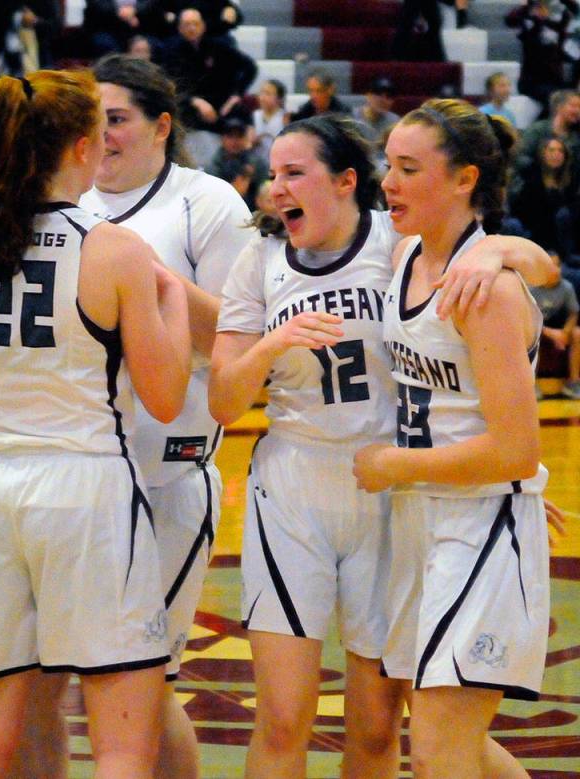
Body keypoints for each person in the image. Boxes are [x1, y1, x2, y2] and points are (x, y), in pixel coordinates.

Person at [208, 113, 555, 778]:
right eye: (272, 175)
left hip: (419, 500)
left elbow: (527, 273)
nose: (277, 189)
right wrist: (274, 343)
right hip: (340, 497)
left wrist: (499, 250)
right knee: (322, 722)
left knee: (402, 734)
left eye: (294, 173)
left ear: (343, 182)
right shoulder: (312, 258)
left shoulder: (412, 256)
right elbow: (223, 399)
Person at [0, 68, 193, 778]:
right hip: (86, 491)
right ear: (81, 147)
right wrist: (171, 301)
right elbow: (166, 395)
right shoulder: (112, 247)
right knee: (119, 743)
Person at [12, 53, 256, 779]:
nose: (104, 135)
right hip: (72, 479)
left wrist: (148, 278)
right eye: (95, 120)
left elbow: (238, 344)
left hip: (164, 478)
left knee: (141, 693)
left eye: (118, 118)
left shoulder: (207, 203)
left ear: (162, 127)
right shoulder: (63, 200)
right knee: (36, 689)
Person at [355, 98, 551, 778]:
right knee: (451, 738)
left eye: (409, 168)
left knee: (438, 746)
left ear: (465, 179)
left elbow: (517, 450)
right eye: (389, 165)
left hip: (481, 520)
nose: (390, 182)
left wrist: (391, 461)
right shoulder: (406, 249)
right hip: (423, 516)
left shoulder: (486, 291)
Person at [157, 7, 258, 131]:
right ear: (179, 28)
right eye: (187, 25)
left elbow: (250, 67)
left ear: (203, 26)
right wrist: (194, 101)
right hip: (190, 104)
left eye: (196, 24)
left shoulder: (219, 46)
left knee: (240, 117)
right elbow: (170, 83)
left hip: (221, 103)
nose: (192, 28)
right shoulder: (170, 51)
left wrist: (236, 95)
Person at [509, 136, 577, 255]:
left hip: (561, 241)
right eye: (551, 150)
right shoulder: (530, 178)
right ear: (542, 154)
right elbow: (526, 214)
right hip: (532, 235)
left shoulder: (570, 183)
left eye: (560, 151)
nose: (556, 154)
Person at [530, 252, 580, 398]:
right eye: (552, 266)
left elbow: (573, 313)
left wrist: (565, 333)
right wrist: (550, 333)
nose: (556, 270)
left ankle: (573, 383)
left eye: (558, 265)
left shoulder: (566, 287)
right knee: (528, 335)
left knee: (578, 334)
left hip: (559, 328)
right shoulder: (532, 288)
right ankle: (531, 384)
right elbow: (529, 318)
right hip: (537, 328)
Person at [354, 76, 400, 145]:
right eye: (378, 94)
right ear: (368, 96)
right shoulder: (351, 118)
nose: (383, 100)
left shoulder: (395, 122)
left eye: (388, 96)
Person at [252, 79, 287, 165]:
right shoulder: (253, 116)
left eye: (268, 93)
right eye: (261, 93)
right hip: (256, 167)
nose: (263, 97)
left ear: (279, 98)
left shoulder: (285, 118)